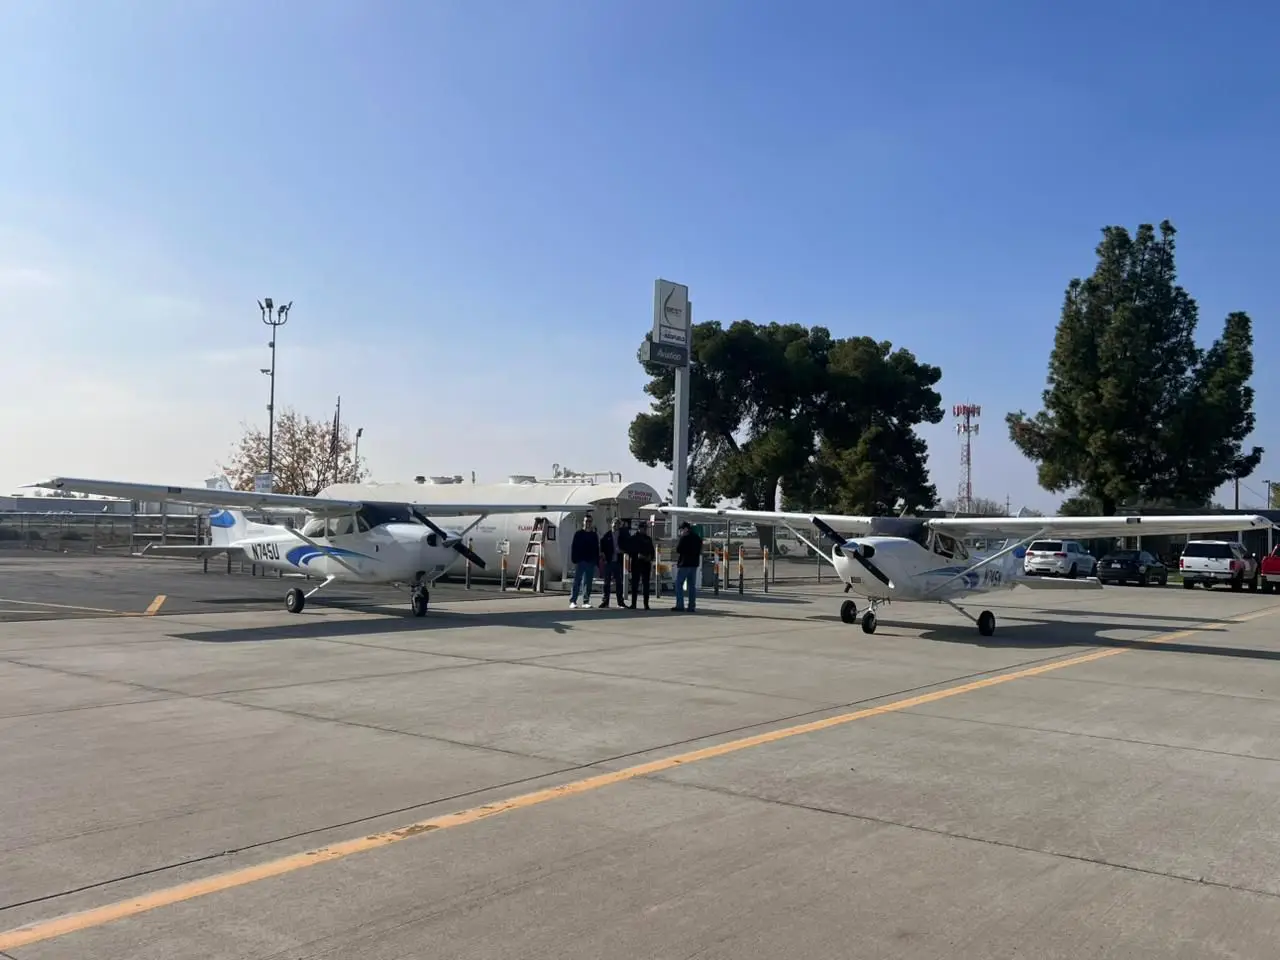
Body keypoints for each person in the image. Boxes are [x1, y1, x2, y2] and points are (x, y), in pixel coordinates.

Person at [568, 514, 600, 608]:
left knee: (588, 582)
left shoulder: (594, 535)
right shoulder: (578, 534)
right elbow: (574, 547)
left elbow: (596, 548)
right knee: (577, 581)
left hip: (590, 561)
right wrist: (574, 559)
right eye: (586, 521)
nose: (588, 523)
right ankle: (573, 601)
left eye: (590, 521)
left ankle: (586, 601)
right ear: (583, 522)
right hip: (580, 561)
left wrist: (596, 561)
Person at [672, 520, 703, 612]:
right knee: (691, 586)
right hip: (694, 564)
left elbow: (678, 549)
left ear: (685, 529)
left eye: (681, 529)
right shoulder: (697, 538)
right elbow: (699, 550)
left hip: (684, 564)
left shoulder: (684, 538)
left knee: (678, 584)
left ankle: (680, 605)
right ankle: (691, 606)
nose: (680, 532)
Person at [625, 519, 656, 609]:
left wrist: (650, 557)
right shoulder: (633, 538)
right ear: (639, 528)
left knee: (646, 584)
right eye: (643, 528)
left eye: (645, 528)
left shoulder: (648, 539)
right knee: (635, 584)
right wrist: (637, 555)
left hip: (646, 564)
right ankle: (633, 603)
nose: (644, 530)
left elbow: (652, 551)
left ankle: (646, 604)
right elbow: (629, 550)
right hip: (636, 563)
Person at [598, 518, 627, 608]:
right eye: (614, 523)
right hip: (609, 561)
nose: (615, 525)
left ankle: (620, 602)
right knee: (606, 583)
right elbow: (602, 546)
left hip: (618, 562)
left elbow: (627, 545)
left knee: (619, 582)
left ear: (619, 525)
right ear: (611, 524)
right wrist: (603, 555)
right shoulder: (607, 535)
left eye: (617, 524)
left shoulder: (623, 536)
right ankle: (605, 601)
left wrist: (623, 551)